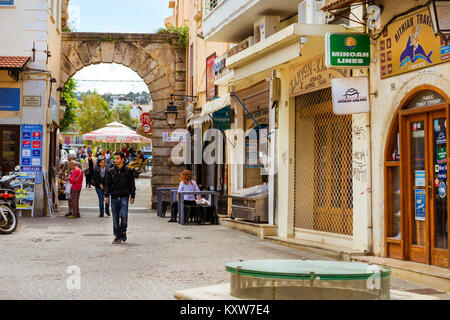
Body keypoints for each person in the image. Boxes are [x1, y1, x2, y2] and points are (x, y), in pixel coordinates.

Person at [104, 151, 136, 244]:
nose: (115, 160)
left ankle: (123, 231)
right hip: (114, 197)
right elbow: (107, 185)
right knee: (115, 218)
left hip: (124, 197)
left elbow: (132, 184)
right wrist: (106, 195)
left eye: (117, 158)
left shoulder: (129, 171)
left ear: (122, 159)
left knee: (124, 216)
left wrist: (132, 195)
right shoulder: (110, 172)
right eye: (115, 158)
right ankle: (117, 236)